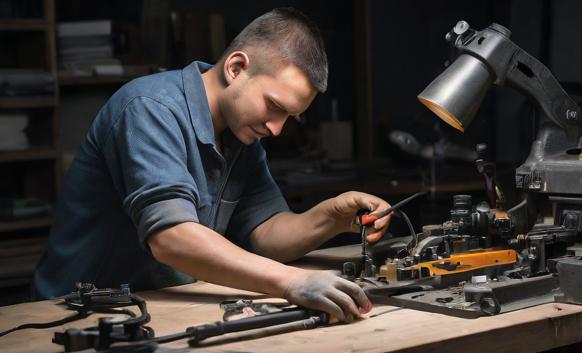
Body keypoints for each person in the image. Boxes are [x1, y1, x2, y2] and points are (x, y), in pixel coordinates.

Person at [33, 8, 391, 323]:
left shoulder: (241, 136)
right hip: (73, 316)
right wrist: (291, 281)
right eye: (274, 106)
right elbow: (172, 238)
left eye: (290, 117)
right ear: (237, 67)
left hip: (158, 309)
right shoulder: (149, 108)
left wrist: (331, 217)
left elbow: (266, 235)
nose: (277, 128)